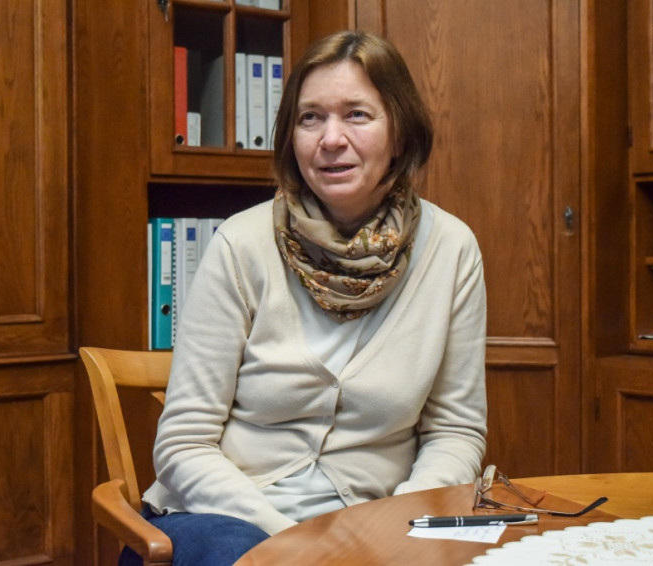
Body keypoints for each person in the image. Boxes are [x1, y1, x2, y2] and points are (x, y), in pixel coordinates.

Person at [123, 29, 488, 566]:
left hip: (377, 525)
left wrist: (397, 529)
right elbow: (183, 444)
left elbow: (454, 432)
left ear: (400, 132)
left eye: (356, 115)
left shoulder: (451, 250)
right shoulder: (240, 244)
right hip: (231, 520)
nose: (330, 138)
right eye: (310, 117)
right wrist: (299, 543)